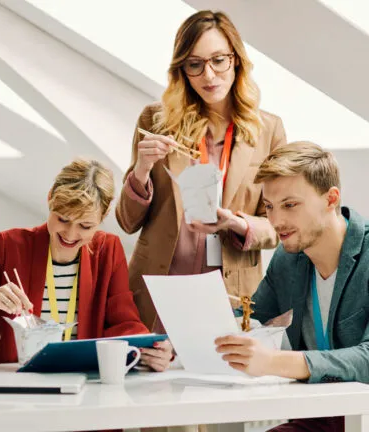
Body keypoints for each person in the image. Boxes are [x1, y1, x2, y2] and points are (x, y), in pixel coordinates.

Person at [116, 10, 287, 332]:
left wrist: (240, 224)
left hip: (231, 292)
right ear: (182, 70)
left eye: (219, 60)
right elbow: (127, 222)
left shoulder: (268, 129)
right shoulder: (156, 121)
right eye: (195, 64)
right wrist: (141, 170)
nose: (209, 75)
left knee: (221, 377)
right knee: (150, 380)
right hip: (159, 287)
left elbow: (281, 226)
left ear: (236, 60)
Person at [0, 158, 173, 370]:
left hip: (83, 385)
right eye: (63, 219)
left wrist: (152, 349)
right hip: (16, 385)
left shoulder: (107, 249)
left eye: (85, 226)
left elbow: (124, 323)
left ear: (103, 217)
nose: (70, 234)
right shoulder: (8, 245)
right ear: (50, 198)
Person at [216, 142, 369, 432]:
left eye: (290, 205)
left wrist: (273, 361)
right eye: (269, 207)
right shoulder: (288, 260)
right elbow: (253, 320)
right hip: (321, 418)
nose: (276, 221)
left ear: (330, 199)